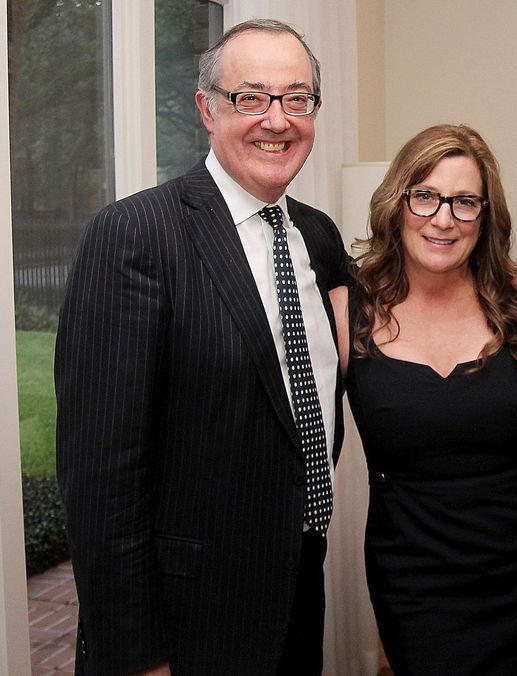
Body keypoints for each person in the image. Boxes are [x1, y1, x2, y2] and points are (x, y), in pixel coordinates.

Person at [56, 20, 349, 674]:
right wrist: (137, 656)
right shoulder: (135, 235)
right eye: (251, 97)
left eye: (296, 98)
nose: (277, 119)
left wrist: (510, 284)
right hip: (186, 621)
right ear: (207, 110)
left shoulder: (318, 237)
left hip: (298, 588)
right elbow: (101, 481)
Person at [328, 124, 517, 676]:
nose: (443, 218)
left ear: (484, 217)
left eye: (464, 202)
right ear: (397, 204)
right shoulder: (346, 313)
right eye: (426, 196)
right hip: (414, 582)